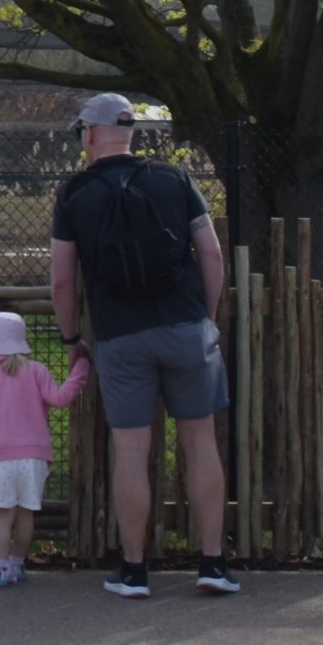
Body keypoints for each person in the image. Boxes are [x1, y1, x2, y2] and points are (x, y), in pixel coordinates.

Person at [49, 93, 238, 599]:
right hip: (186, 328)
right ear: (130, 132)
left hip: (119, 337)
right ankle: (213, 563)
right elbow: (212, 253)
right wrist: (207, 317)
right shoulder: (175, 179)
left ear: (90, 133)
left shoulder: (73, 195)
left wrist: (72, 339)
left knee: (131, 452)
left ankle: (133, 571)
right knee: (200, 442)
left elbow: (63, 283)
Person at [0, 309, 88, 586]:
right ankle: (19, 563)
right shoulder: (36, 372)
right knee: (25, 514)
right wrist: (80, 369)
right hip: (33, 457)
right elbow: (60, 398)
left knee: (3, 514)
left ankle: (0, 567)